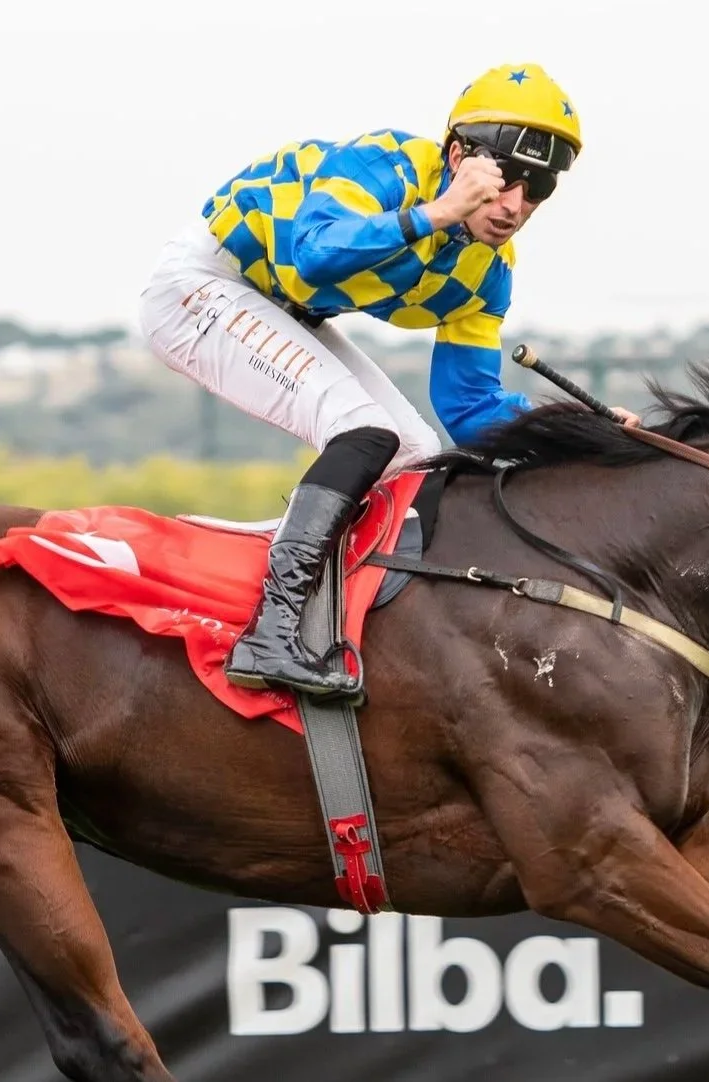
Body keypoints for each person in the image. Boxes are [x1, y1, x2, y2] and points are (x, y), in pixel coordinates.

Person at [137, 62, 639, 701]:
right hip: (203, 286)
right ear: (457, 155)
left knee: (417, 457)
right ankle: (270, 630)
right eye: (504, 177)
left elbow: (469, 405)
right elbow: (313, 255)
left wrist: (583, 436)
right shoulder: (387, 165)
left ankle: (335, 616)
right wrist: (436, 212)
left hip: (280, 307)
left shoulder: (487, 272)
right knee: (365, 430)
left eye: (537, 188)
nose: (515, 205)